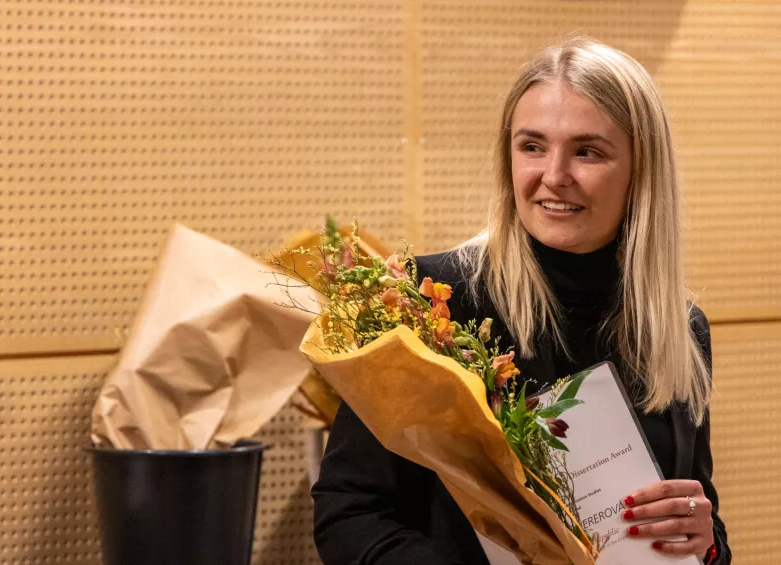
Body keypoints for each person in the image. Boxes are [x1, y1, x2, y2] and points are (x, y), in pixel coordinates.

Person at [311, 36, 731, 565]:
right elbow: (350, 513)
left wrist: (706, 539)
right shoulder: (433, 303)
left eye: (587, 151)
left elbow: (700, 521)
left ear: (641, 173)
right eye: (532, 146)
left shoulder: (678, 327)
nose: (553, 176)